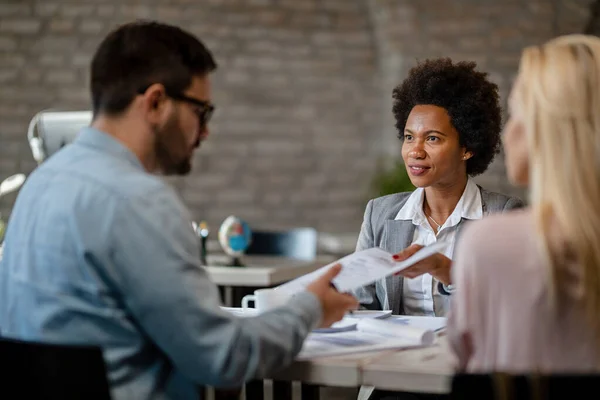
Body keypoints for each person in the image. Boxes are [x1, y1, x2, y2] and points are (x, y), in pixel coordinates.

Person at [0, 21, 357, 400]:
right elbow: (223, 358)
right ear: (155, 103)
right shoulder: (138, 200)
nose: (205, 133)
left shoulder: (38, 184)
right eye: (201, 111)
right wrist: (310, 308)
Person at [448, 34, 600, 372]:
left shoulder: (490, 243)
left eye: (516, 114)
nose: (507, 133)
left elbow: (463, 358)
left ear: (551, 130)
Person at [353, 58, 523, 319]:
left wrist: (446, 270)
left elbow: (512, 304)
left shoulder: (504, 215)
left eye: (432, 138)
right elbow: (361, 303)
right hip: (394, 357)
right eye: (409, 137)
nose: (415, 151)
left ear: (467, 148)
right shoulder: (380, 213)